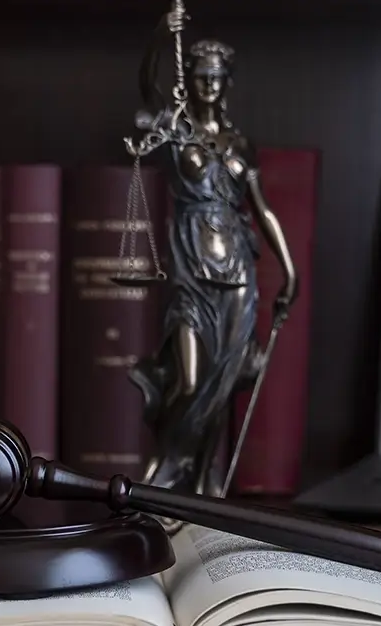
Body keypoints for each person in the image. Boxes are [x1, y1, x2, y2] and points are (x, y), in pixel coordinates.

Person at [127, 25, 299, 500]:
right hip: (190, 264)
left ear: (227, 83)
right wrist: (162, 38)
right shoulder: (176, 128)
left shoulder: (241, 144)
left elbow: (261, 207)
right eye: (201, 76)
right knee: (190, 380)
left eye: (216, 77)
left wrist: (289, 268)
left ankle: (206, 485)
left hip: (238, 268)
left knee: (224, 379)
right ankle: (164, 470)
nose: (208, 84)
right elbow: (147, 85)